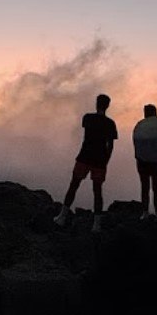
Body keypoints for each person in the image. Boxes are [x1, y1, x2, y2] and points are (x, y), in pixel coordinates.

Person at [53, 94, 118, 233]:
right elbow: (110, 146)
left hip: (84, 156)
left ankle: (62, 217)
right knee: (97, 191)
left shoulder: (87, 118)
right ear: (108, 106)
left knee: (74, 185)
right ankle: (96, 225)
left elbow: (87, 133)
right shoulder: (110, 124)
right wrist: (106, 161)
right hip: (100, 160)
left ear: (96, 104)